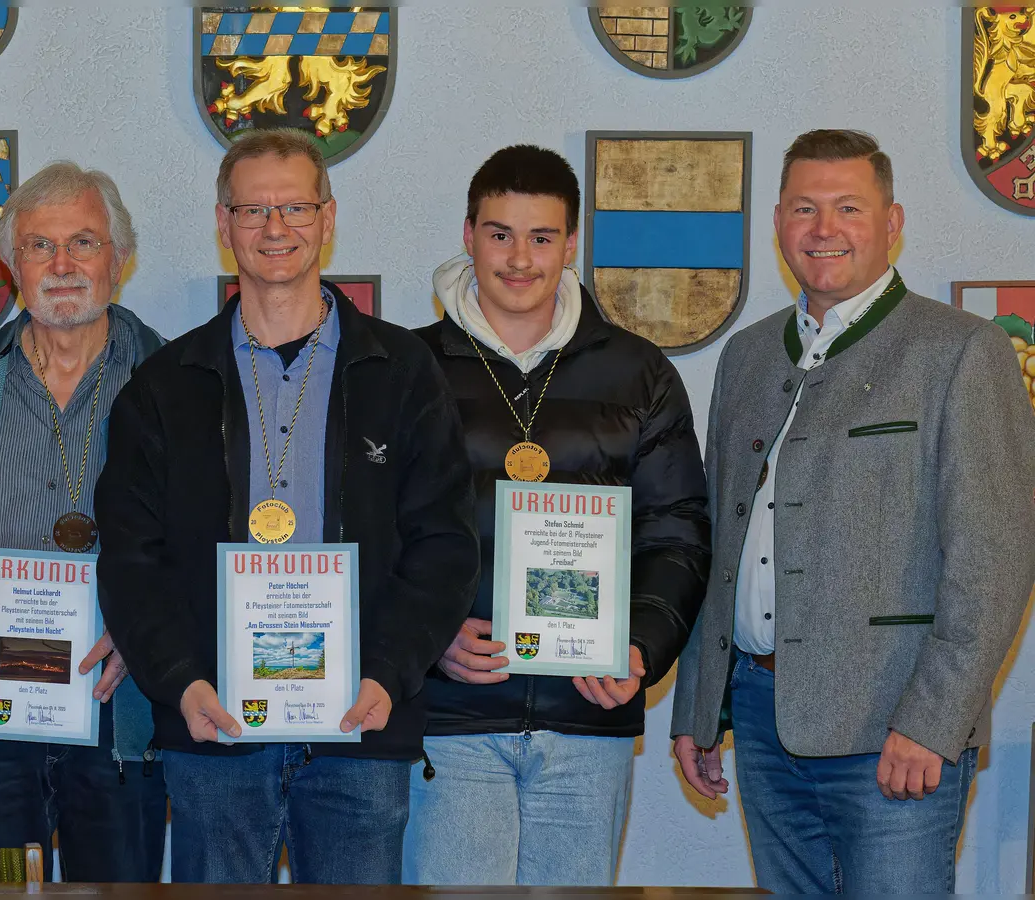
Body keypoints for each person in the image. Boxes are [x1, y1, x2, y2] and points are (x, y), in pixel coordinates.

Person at [95, 128, 479, 885]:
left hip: (360, 725)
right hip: (213, 728)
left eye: (295, 207)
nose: (276, 229)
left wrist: (388, 672)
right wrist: (180, 683)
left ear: (328, 219)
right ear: (223, 224)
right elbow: (132, 559)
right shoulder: (166, 385)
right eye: (253, 209)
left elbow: (443, 543)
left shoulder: (402, 371)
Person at [670, 129, 1035, 894]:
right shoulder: (744, 357)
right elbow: (723, 541)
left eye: (848, 208)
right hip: (762, 721)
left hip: (893, 731)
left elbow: (995, 561)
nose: (824, 229)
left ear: (892, 223)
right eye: (805, 208)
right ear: (777, 221)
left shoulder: (962, 352)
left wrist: (932, 723)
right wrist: (700, 709)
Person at [403, 145, 709, 886]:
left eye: (542, 238)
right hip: (452, 717)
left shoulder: (639, 372)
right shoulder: (408, 366)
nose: (519, 258)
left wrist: (638, 647)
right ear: (468, 233)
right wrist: (428, 636)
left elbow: (677, 530)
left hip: (587, 719)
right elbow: (375, 532)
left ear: (570, 245)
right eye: (499, 233)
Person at [0, 161, 167, 882]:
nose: (62, 265)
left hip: (121, 706)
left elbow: (201, 533)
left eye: (84, 243)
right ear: (11, 264)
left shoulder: (172, 376)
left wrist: (150, 632)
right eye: (39, 246)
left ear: (119, 261)